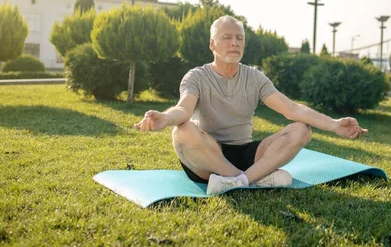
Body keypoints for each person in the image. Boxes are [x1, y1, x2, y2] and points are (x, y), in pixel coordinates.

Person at [134, 15, 367, 195]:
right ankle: (251, 179)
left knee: (301, 129)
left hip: (246, 153)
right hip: (206, 156)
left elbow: (292, 109)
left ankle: (239, 182)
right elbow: (184, 109)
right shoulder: (196, 76)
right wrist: (165, 118)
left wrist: (335, 125)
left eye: (239, 38)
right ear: (212, 44)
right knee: (183, 129)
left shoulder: (255, 78)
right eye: (227, 37)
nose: (234, 42)